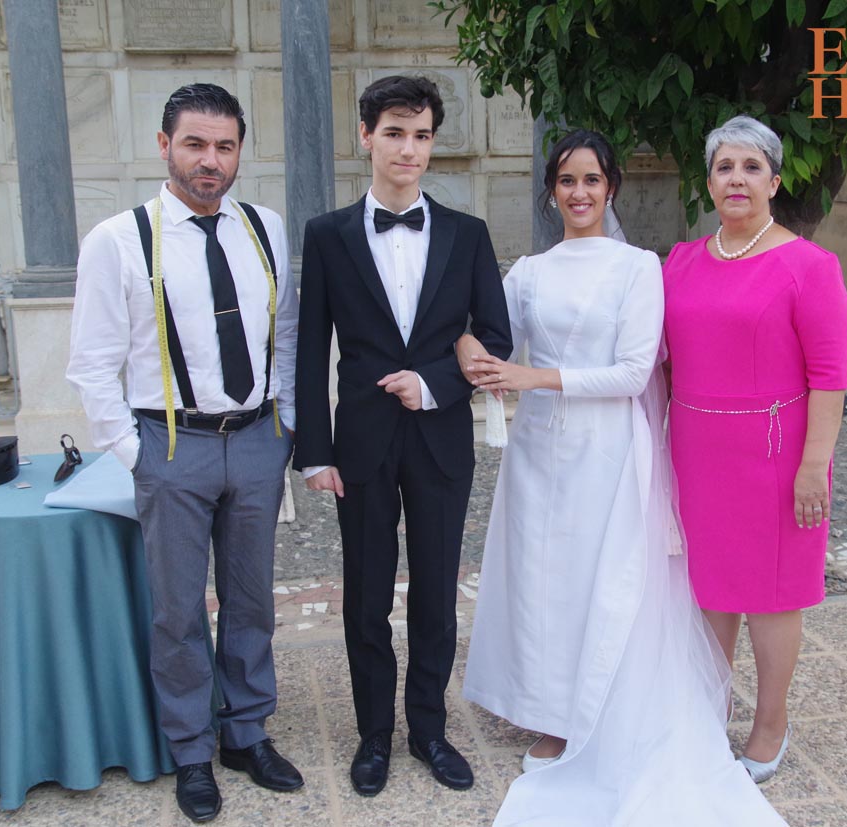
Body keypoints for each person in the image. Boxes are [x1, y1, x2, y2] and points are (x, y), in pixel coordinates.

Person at [460, 129, 786, 826]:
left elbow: (634, 372)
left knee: (597, 578)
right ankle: (549, 711)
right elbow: (487, 331)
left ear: (611, 188)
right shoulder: (530, 272)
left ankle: (598, 708)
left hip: (606, 448)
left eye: (591, 180)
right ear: (552, 191)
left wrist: (531, 377)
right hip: (536, 450)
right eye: (566, 181)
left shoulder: (638, 268)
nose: (579, 193)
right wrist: (469, 350)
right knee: (541, 580)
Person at [66, 83, 301, 823]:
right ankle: (192, 749)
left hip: (256, 440)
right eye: (195, 144)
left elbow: (287, 332)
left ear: (240, 152)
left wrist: (286, 424)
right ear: (164, 145)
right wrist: (132, 452)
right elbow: (91, 364)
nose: (210, 160)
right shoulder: (118, 239)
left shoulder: (264, 227)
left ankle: (246, 731)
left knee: (252, 599)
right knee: (177, 610)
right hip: (171, 445)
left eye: (225, 146)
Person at [292, 75, 512, 797]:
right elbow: (310, 349)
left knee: (436, 593)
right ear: (366, 137)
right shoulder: (326, 235)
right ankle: (373, 735)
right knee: (365, 593)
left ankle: (428, 730)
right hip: (360, 440)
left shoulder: (467, 234)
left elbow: (496, 337)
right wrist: (313, 451)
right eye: (394, 132)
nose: (408, 149)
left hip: (440, 437)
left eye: (420, 135)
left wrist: (435, 382)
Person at [663, 114, 847, 784]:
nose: (737, 179)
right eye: (724, 167)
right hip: (697, 453)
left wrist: (813, 465)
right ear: (709, 182)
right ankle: (706, 712)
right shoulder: (681, 262)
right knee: (709, 589)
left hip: (777, 459)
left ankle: (770, 721)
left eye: (752, 167)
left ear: (774, 181)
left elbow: (830, 373)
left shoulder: (809, 266)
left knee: (772, 595)